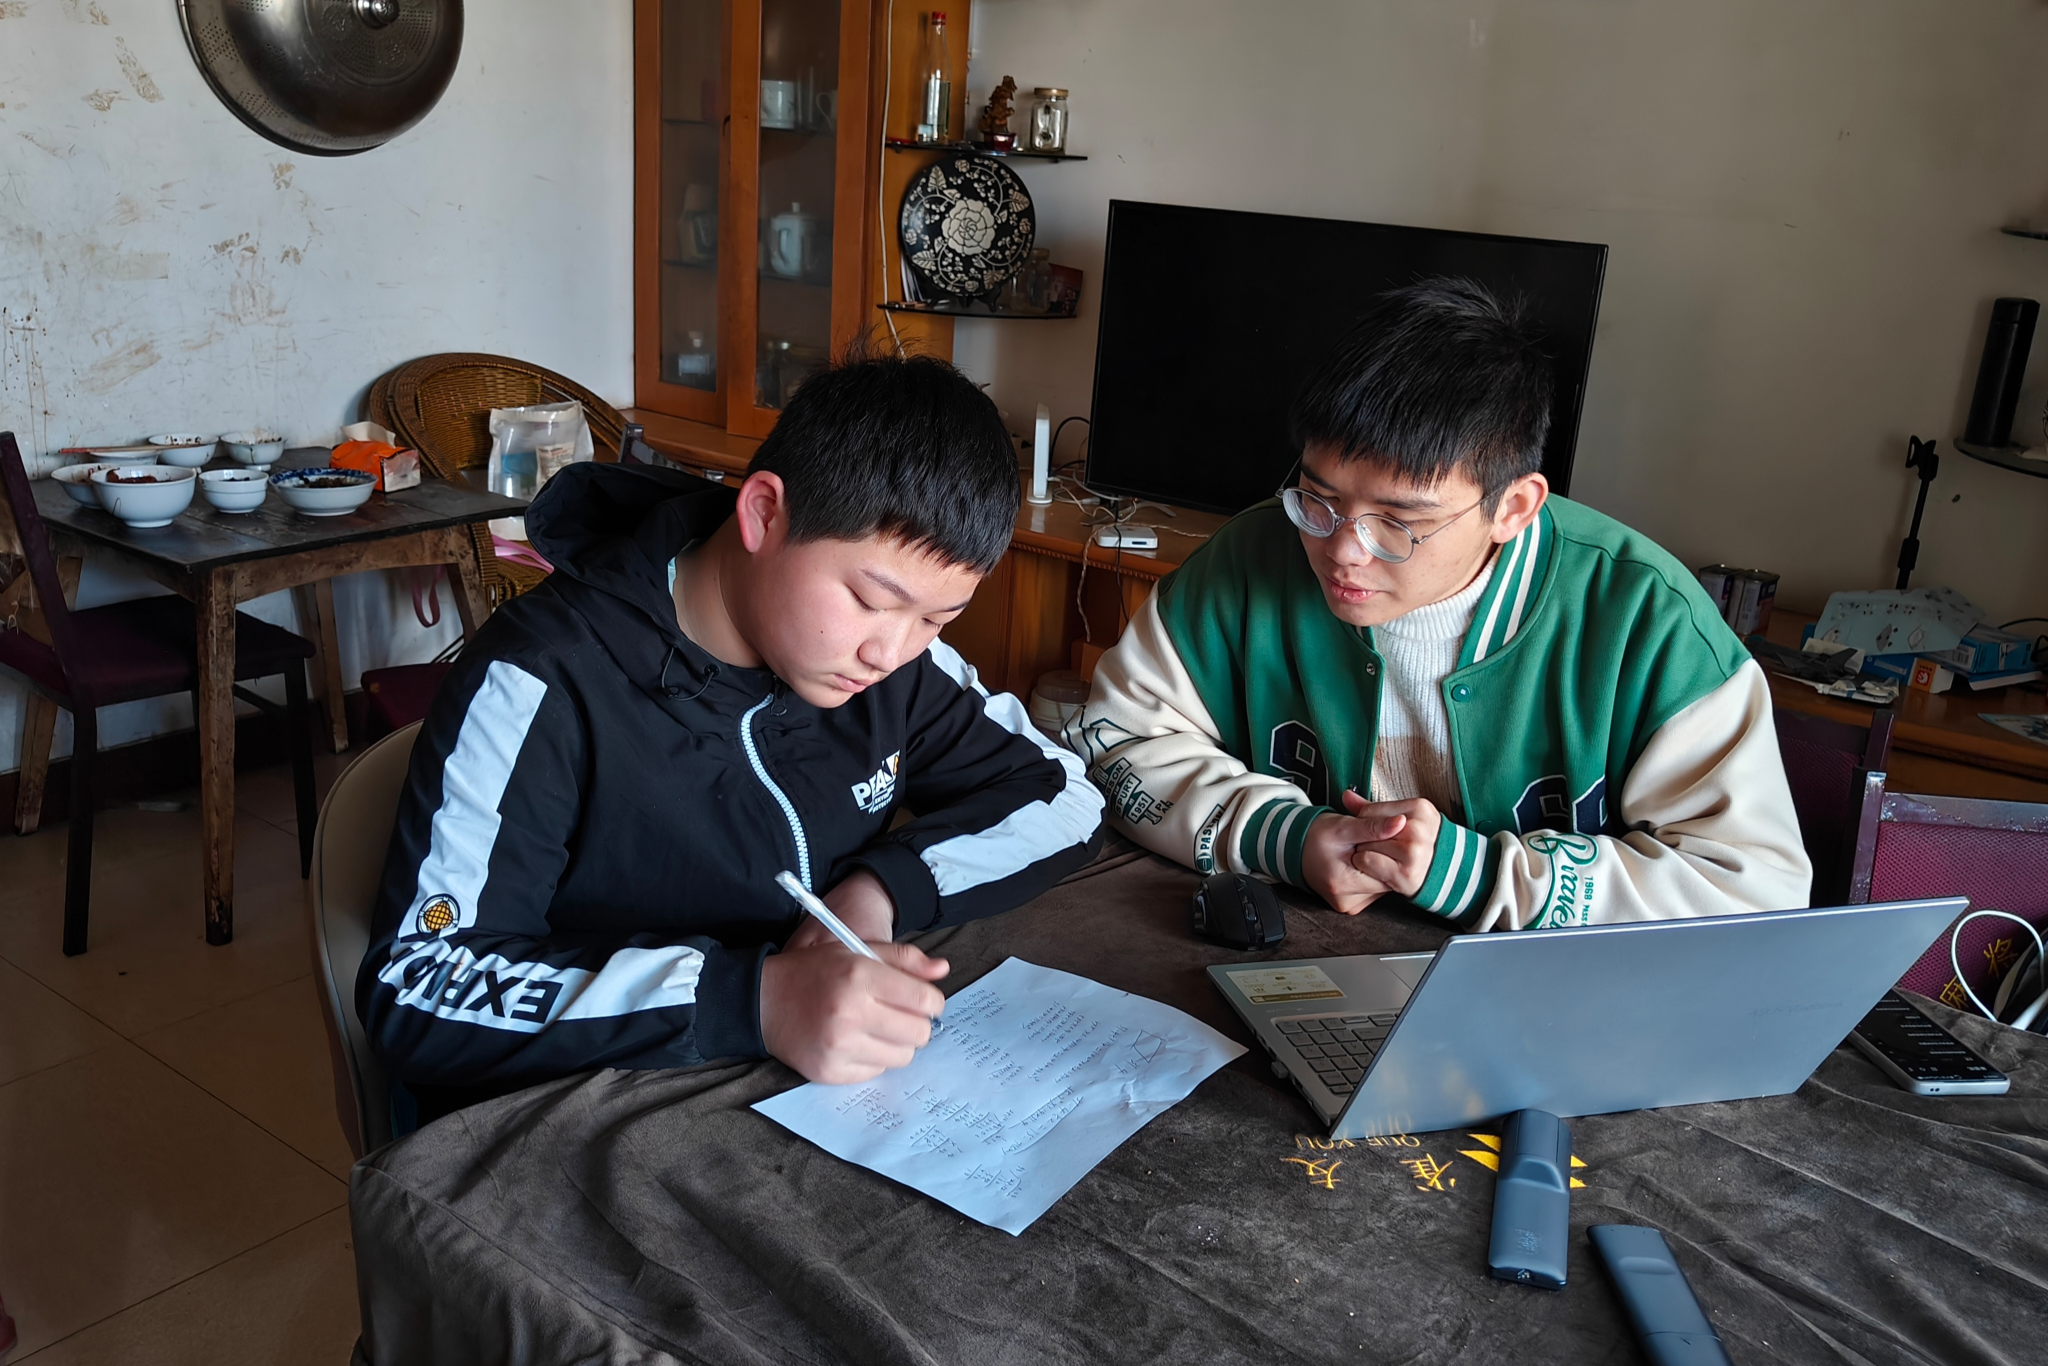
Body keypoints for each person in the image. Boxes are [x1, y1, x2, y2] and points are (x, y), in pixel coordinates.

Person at [359, 353, 1104, 1123]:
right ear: (764, 514)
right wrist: (754, 999)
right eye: (869, 600)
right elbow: (419, 983)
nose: (890, 651)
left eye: (938, 619)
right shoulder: (541, 676)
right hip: (579, 1112)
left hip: (794, 1100)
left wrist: (879, 891)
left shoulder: (899, 664)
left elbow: (1066, 797)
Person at [1068, 278, 1809, 928]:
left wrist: (1480, 876)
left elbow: (1758, 893)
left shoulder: (1647, 618)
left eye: (1399, 521)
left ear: (1513, 507)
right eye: (1319, 498)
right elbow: (1114, 743)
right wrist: (1285, 837)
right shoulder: (1251, 556)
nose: (1344, 549)